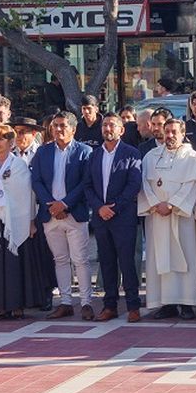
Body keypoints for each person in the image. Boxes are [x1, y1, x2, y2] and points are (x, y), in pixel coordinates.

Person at [0, 125, 45, 319]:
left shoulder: (19, 165)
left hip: (15, 220)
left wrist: (30, 221)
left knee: (15, 263)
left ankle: (18, 303)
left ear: (11, 143)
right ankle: (1, 304)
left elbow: (26, 194)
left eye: (2, 138)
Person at [30, 111, 94, 320]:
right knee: (60, 259)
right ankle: (65, 302)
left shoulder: (84, 152)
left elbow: (86, 182)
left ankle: (86, 302)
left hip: (74, 214)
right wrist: (51, 204)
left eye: (63, 126)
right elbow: (36, 181)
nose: (58, 129)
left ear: (73, 129)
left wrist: (65, 204)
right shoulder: (43, 151)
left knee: (81, 260)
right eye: (55, 125)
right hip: (50, 215)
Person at [139, 118, 196, 319]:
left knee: (185, 257)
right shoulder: (151, 157)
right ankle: (166, 303)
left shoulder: (191, 157)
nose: (170, 135)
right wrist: (155, 204)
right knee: (159, 258)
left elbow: (193, 183)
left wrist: (172, 205)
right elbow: (143, 184)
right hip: (156, 216)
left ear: (183, 133)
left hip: (181, 217)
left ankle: (186, 303)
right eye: (167, 131)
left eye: (174, 132)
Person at [85, 112, 143, 323]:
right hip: (101, 218)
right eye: (104, 126)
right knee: (106, 262)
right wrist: (99, 207)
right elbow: (88, 185)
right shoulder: (94, 155)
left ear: (121, 130)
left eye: (112, 125)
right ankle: (109, 306)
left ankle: (133, 306)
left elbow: (134, 185)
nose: (107, 129)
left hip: (123, 217)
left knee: (127, 262)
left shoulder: (131, 153)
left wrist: (115, 207)